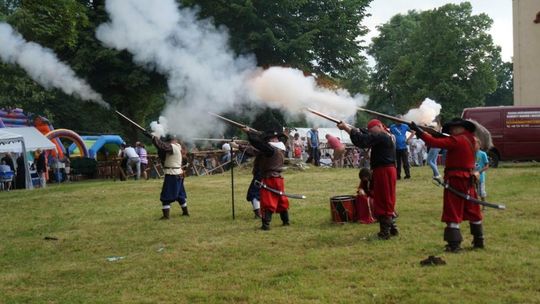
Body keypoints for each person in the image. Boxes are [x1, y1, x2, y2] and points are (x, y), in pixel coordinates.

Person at [410, 118, 484, 252]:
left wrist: (419, 132)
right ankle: (479, 240)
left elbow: (432, 142)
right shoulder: (471, 138)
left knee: (453, 209)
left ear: (461, 128)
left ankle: (454, 244)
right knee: (472, 209)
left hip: (456, 178)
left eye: (454, 128)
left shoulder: (457, 140)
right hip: (468, 178)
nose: (451, 130)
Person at [337, 119, 398, 239]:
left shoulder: (382, 136)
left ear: (379, 126)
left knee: (383, 200)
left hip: (384, 170)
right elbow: (366, 135)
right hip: (385, 170)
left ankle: (385, 232)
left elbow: (363, 141)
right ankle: (391, 227)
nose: (371, 133)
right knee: (384, 199)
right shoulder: (386, 135)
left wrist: (346, 128)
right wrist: (354, 129)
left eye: (372, 130)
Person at [244, 127, 290, 230]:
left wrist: (249, 133)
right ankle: (286, 221)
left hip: (270, 178)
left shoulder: (271, 149)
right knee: (281, 200)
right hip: (278, 178)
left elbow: (257, 144)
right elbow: (257, 147)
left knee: (267, 202)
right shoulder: (280, 147)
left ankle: (266, 225)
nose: (273, 139)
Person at [152, 134, 189, 219]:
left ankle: (166, 216)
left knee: (166, 195)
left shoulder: (173, 146)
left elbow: (162, 146)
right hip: (178, 173)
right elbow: (162, 149)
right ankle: (185, 212)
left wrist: (154, 138)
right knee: (180, 195)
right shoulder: (178, 146)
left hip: (172, 174)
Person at [474, 138, 489, 202]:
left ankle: (484, 205)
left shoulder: (483, 154)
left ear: (479, 145)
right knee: (474, 193)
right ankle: (475, 206)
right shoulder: (470, 154)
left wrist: (479, 172)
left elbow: (487, 166)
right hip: (473, 177)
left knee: (481, 192)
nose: (474, 145)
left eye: (475, 144)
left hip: (480, 177)